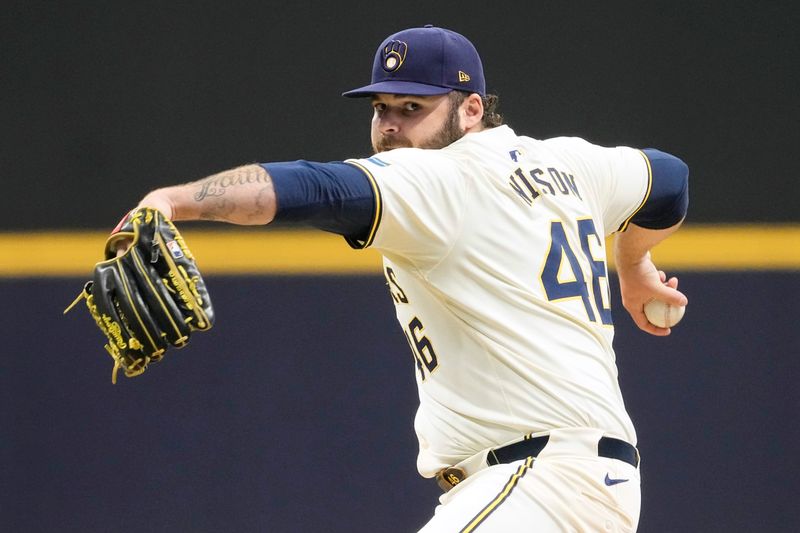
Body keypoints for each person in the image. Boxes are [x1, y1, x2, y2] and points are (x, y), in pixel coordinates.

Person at [133, 25, 688, 532]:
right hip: (564, 484)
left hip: (539, 486)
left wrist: (174, 201)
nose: (390, 125)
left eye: (412, 106)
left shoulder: (441, 177)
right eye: (380, 108)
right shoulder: (570, 163)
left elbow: (315, 189)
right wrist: (634, 263)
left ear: (471, 109)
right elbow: (668, 178)